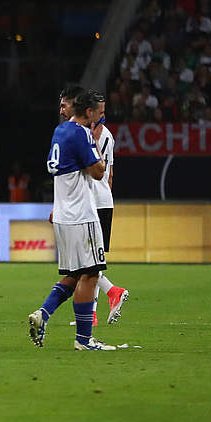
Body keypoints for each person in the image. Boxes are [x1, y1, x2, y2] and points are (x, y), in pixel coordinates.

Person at [27, 89, 114, 351]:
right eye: (98, 114)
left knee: (76, 274)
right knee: (91, 273)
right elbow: (99, 172)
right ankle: (84, 340)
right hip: (81, 215)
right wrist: (95, 148)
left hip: (63, 214)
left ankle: (43, 313)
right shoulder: (81, 133)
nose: (101, 119)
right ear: (88, 112)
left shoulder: (60, 131)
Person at [88, 99, 129, 325]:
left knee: (88, 263)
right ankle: (93, 312)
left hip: (90, 203)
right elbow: (110, 175)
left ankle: (110, 294)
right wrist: (105, 194)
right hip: (104, 201)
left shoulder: (85, 135)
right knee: (91, 262)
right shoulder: (110, 136)